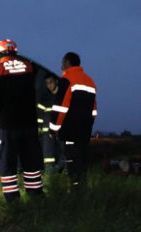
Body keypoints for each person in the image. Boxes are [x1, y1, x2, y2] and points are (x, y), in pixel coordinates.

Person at [0, 39, 43, 203]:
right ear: (15, 52)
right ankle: (35, 195)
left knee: (8, 162)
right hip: (29, 124)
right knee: (31, 160)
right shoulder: (29, 67)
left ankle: (13, 200)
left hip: (8, 126)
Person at [50, 52, 97, 187]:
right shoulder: (90, 81)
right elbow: (94, 109)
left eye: (62, 62)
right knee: (82, 163)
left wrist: (53, 129)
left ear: (67, 62)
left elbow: (60, 108)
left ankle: (76, 193)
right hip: (84, 132)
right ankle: (83, 189)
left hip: (70, 131)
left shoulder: (67, 79)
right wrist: (88, 125)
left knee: (72, 163)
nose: (60, 65)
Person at [37, 74, 63, 172]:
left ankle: (59, 172)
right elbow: (39, 116)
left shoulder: (62, 97)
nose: (49, 85)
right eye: (47, 83)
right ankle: (50, 177)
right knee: (47, 157)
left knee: (63, 154)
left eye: (51, 82)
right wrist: (39, 130)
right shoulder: (44, 99)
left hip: (60, 131)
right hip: (46, 133)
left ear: (56, 81)